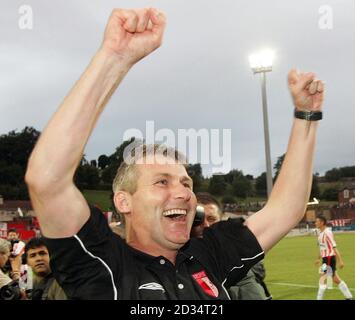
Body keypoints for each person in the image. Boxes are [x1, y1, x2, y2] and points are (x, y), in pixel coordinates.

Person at [25, 7, 325, 299]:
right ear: (123, 201)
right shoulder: (100, 265)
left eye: (186, 183)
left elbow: (285, 209)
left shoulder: (208, 255)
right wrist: (114, 58)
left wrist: (307, 115)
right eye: (162, 182)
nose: (182, 193)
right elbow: (47, 178)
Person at [191, 192, 268, 300]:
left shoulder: (237, 263)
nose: (206, 225)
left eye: (211, 219)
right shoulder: (178, 261)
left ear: (221, 221)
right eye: (198, 220)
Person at [315, 216, 353, 300]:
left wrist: (341, 261)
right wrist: (318, 258)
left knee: (322, 277)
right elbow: (321, 248)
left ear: (322, 222)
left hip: (329, 258)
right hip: (325, 259)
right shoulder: (320, 233)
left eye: (317, 221)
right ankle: (349, 296)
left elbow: (334, 247)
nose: (315, 223)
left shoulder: (327, 233)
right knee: (335, 278)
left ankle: (319, 298)